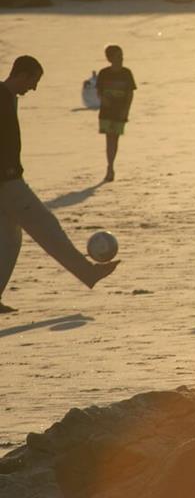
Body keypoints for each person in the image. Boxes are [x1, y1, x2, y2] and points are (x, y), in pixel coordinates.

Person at [0, 56, 119, 313]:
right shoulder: (1, 98)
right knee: (46, 227)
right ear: (22, 74)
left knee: (10, 240)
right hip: (6, 181)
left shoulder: (8, 98)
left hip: (8, 179)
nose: (33, 88)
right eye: (33, 81)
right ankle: (89, 272)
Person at [96, 45, 136, 182]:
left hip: (120, 111)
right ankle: (110, 167)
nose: (121, 59)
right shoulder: (103, 73)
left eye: (122, 56)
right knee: (109, 139)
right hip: (106, 112)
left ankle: (111, 166)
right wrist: (103, 99)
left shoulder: (126, 73)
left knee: (115, 138)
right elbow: (99, 91)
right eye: (118, 56)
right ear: (110, 59)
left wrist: (126, 110)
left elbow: (130, 94)